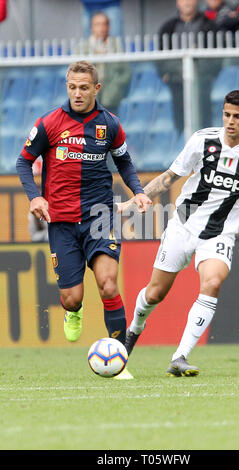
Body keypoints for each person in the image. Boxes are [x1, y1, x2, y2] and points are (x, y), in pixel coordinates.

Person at [118, 90, 239, 377]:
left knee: (213, 281)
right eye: (227, 115)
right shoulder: (202, 140)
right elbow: (171, 176)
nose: (230, 122)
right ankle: (133, 331)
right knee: (155, 293)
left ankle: (180, 356)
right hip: (183, 225)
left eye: (237, 117)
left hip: (221, 234)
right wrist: (137, 199)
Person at [16, 60, 151, 379]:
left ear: (96, 89)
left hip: (99, 217)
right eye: (72, 87)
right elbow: (24, 163)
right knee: (72, 297)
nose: (77, 93)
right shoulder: (50, 123)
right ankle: (72, 312)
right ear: (67, 87)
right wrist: (35, 196)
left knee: (107, 284)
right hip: (61, 222)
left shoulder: (110, 124)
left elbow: (125, 163)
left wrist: (139, 191)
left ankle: (119, 364)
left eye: (84, 88)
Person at [157, 0, 210, 135]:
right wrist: (166, 73)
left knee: (203, 119)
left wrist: (207, 73)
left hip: (202, 82)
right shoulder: (168, 28)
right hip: (177, 82)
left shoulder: (208, 25)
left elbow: (215, 57)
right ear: (177, 3)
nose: (187, 3)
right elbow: (160, 56)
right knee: (180, 120)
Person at [76, 12, 131, 115]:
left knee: (110, 128)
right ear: (92, 28)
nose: (102, 28)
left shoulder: (116, 46)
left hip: (111, 98)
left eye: (104, 24)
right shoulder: (82, 48)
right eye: (98, 24)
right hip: (90, 99)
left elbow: (126, 73)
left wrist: (116, 87)